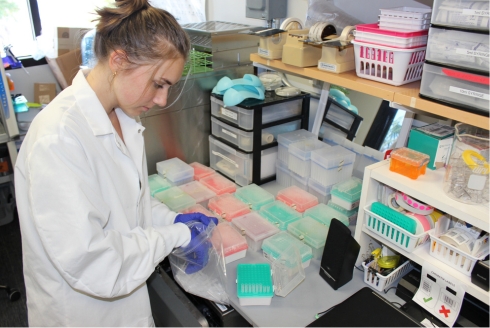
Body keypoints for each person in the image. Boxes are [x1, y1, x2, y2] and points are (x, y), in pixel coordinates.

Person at [14, 0, 217, 326]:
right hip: (83, 313)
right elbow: (94, 262)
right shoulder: (59, 139)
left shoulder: (123, 116)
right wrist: (175, 236)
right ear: (119, 60)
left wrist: (171, 218)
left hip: (125, 306)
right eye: (159, 83)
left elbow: (128, 205)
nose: (163, 99)